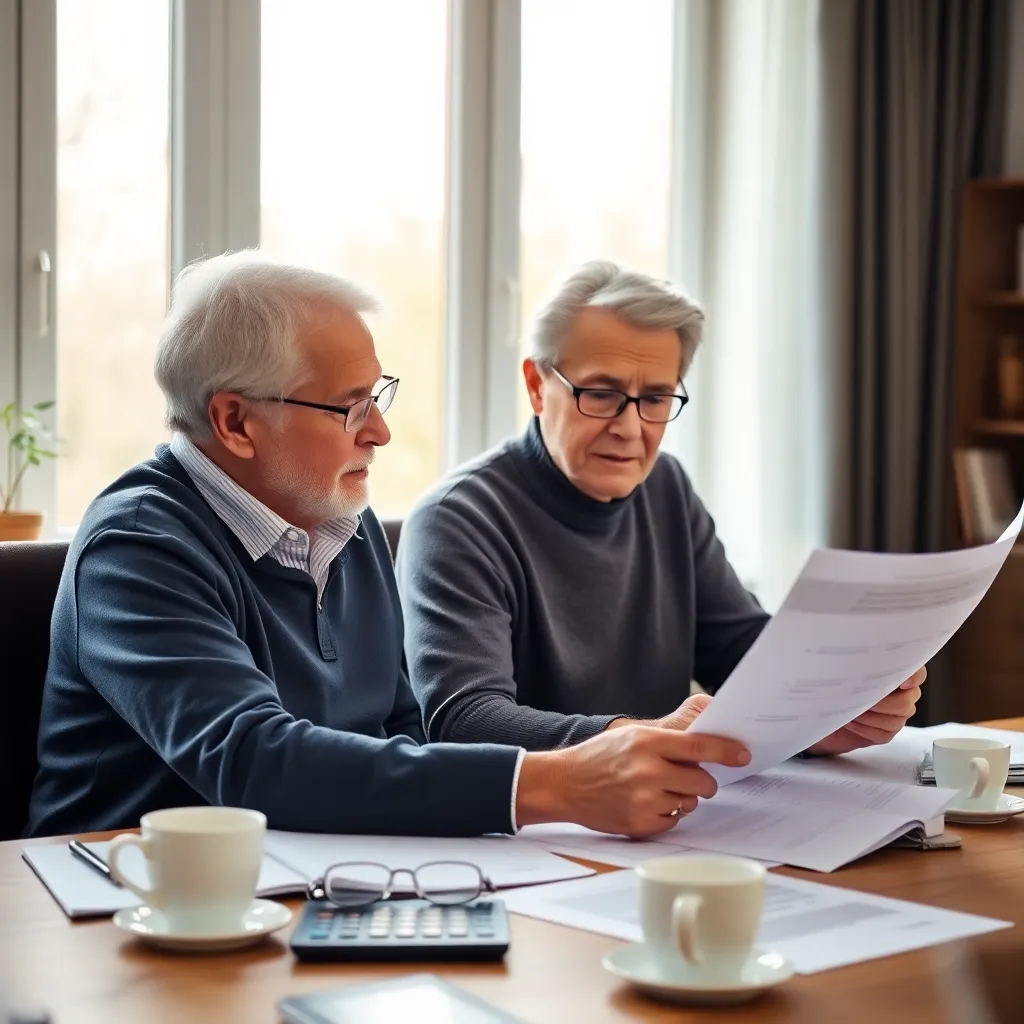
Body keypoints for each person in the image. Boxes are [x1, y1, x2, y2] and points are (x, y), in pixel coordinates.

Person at [25, 253, 751, 840]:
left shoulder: (341, 518)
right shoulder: (135, 547)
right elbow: (254, 760)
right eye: (351, 406)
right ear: (235, 422)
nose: (379, 432)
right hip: (126, 912)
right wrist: (556, 782)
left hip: (310, 881)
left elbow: (401, 728)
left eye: (379, 397)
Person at [396, 260, 925, 753]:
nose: (629, 428)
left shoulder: (665, 486)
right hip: (533, 835)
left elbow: (737, 648)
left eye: (654, 399)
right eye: (601, 394)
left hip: (668, 812)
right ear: (537, 386)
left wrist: (837, 699)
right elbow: (465, 720)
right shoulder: (455, 520)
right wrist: (644, 739)